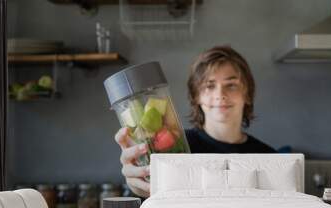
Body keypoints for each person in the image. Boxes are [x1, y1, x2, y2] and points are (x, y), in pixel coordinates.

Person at [115, 46, 276, 198]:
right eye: (209, 86)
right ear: (196, 95)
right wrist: (139, 184)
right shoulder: (175, 146)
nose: (220, 94)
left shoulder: (270, 158)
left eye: (231, 85)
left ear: (247, 94)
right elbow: (153, 193)